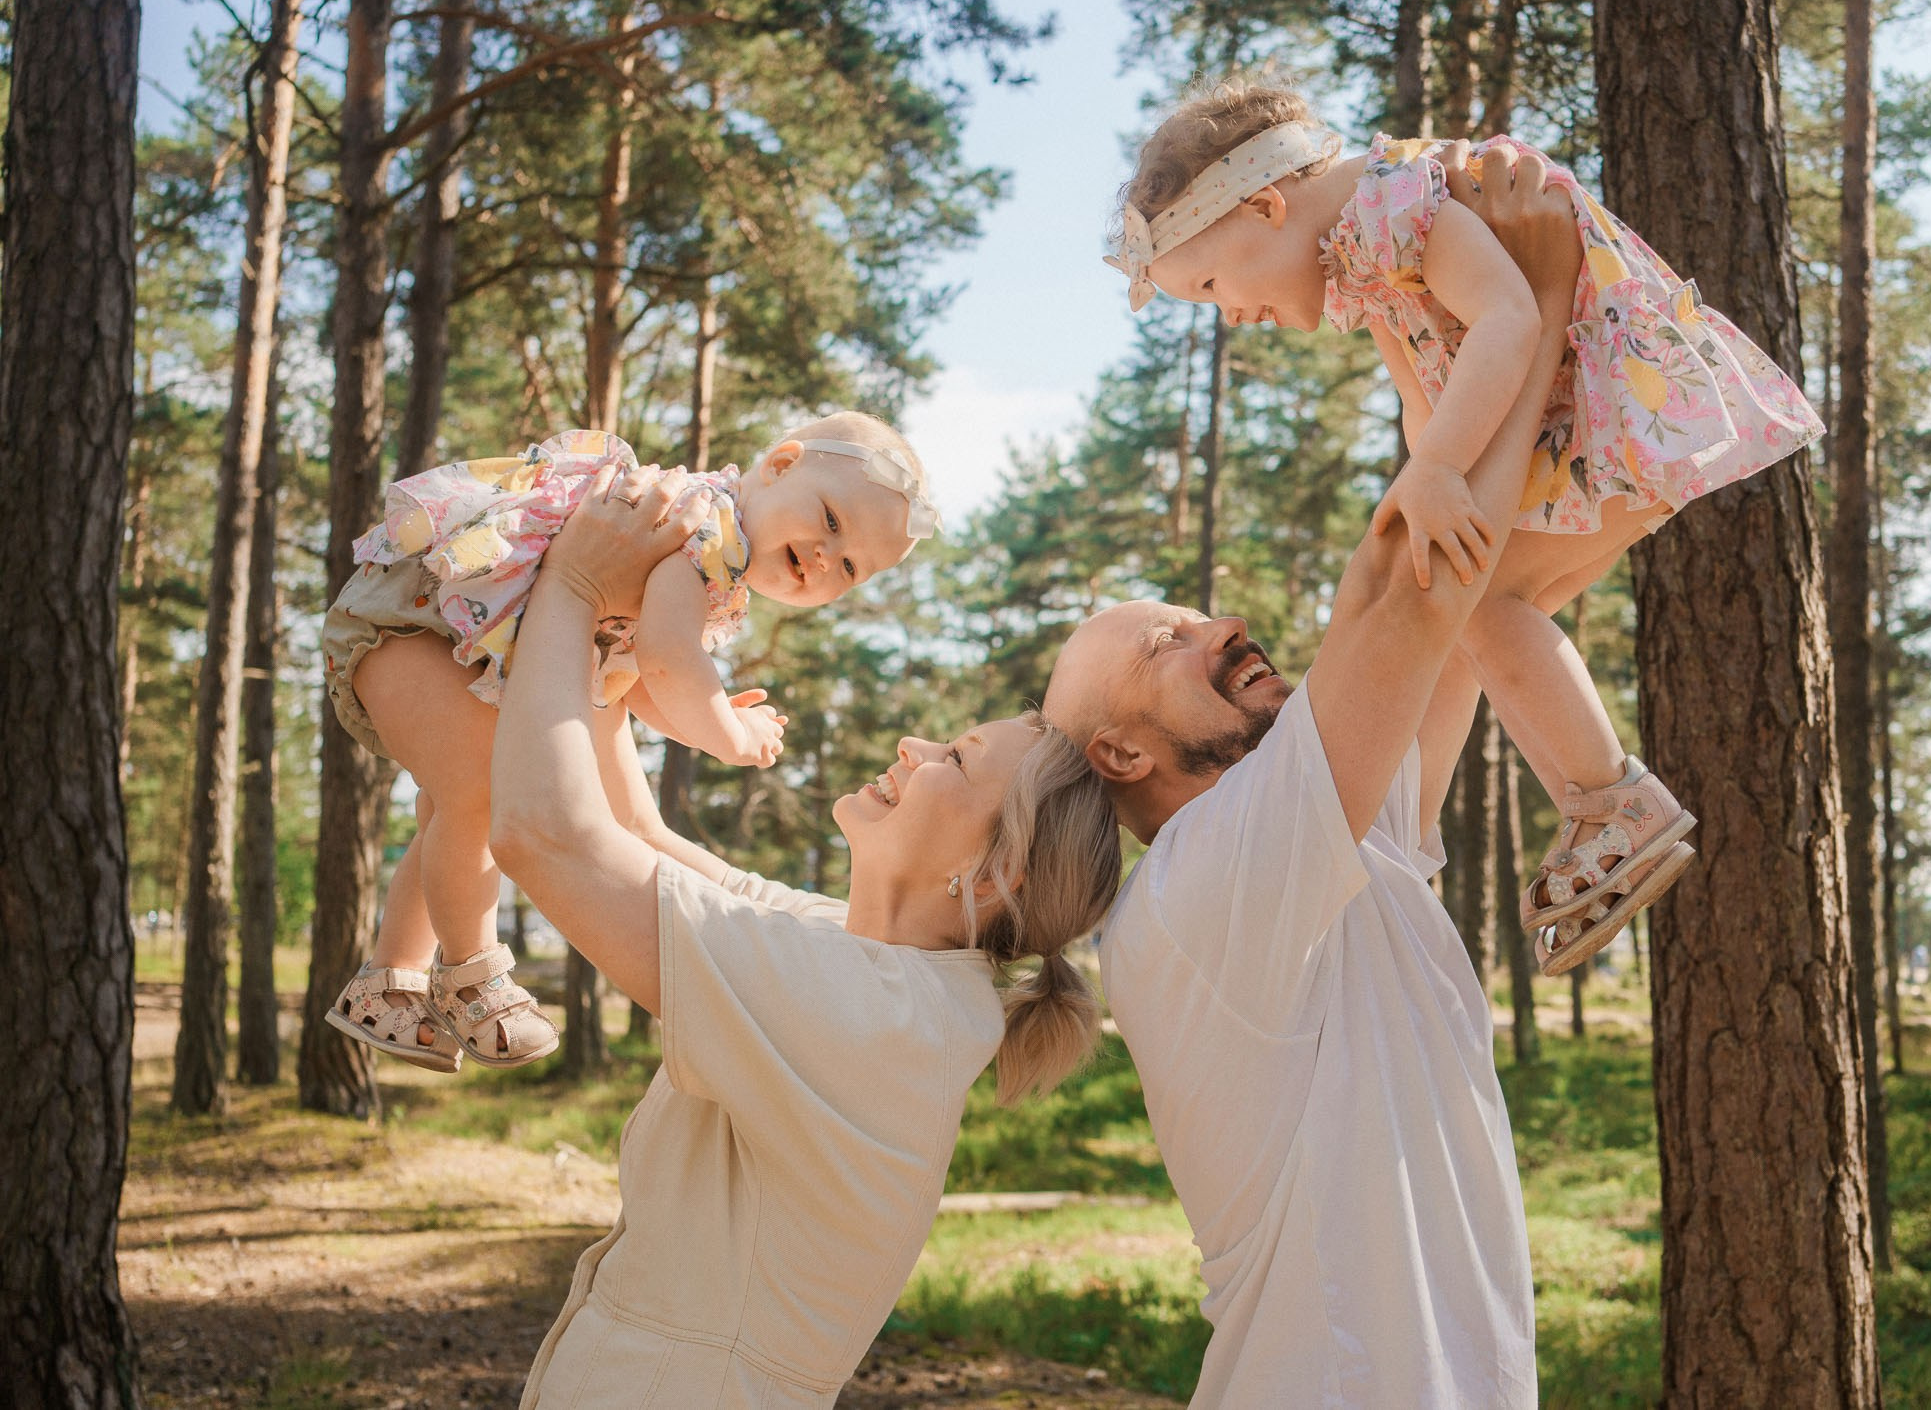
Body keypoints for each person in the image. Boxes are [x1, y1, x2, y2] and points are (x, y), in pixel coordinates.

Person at [1046, 146, 1587, 1408]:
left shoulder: (1349, 840)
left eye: (1190, 613)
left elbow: (1463, 601)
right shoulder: (1203, 886)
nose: (1217, 626)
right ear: (1122, 754)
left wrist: (1464, 352)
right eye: (1163, 644)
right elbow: (1409, 592)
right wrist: (1538, 301)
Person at [1106, 80, 1825, 973]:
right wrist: (1429, 465)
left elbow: (1509, 317)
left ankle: (1612, 799)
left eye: (1213, 284)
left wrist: (1443, 469)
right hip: (1594, 423)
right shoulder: (1360, 258)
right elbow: (1423, 398)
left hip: (1621, 403)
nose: (1231, 314)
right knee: (1473, 622)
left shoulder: (1396, 196)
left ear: (1266, 204)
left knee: (1480, 606)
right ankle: (1487, 824)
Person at [485, 464, 1123, 1408]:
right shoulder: (864, 959)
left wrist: (574, 585)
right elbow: (639, 836)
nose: (913, 746)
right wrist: (612, 647)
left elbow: (545, 834)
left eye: (957, 758)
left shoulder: (870, 1013)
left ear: (994, 873)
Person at [320, 413, 937, 1071]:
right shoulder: (699, 524)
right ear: (780, 465)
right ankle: (471, 971)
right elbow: (669, 661)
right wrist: (728, 733)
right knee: (475, 791)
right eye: (832, 521)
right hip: (415, 617)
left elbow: (637, 681)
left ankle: (388, 981)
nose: (824, 558)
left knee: (457, 804)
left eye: (849, 567)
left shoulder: (717, 563)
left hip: (444, 640)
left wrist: (705, 705)